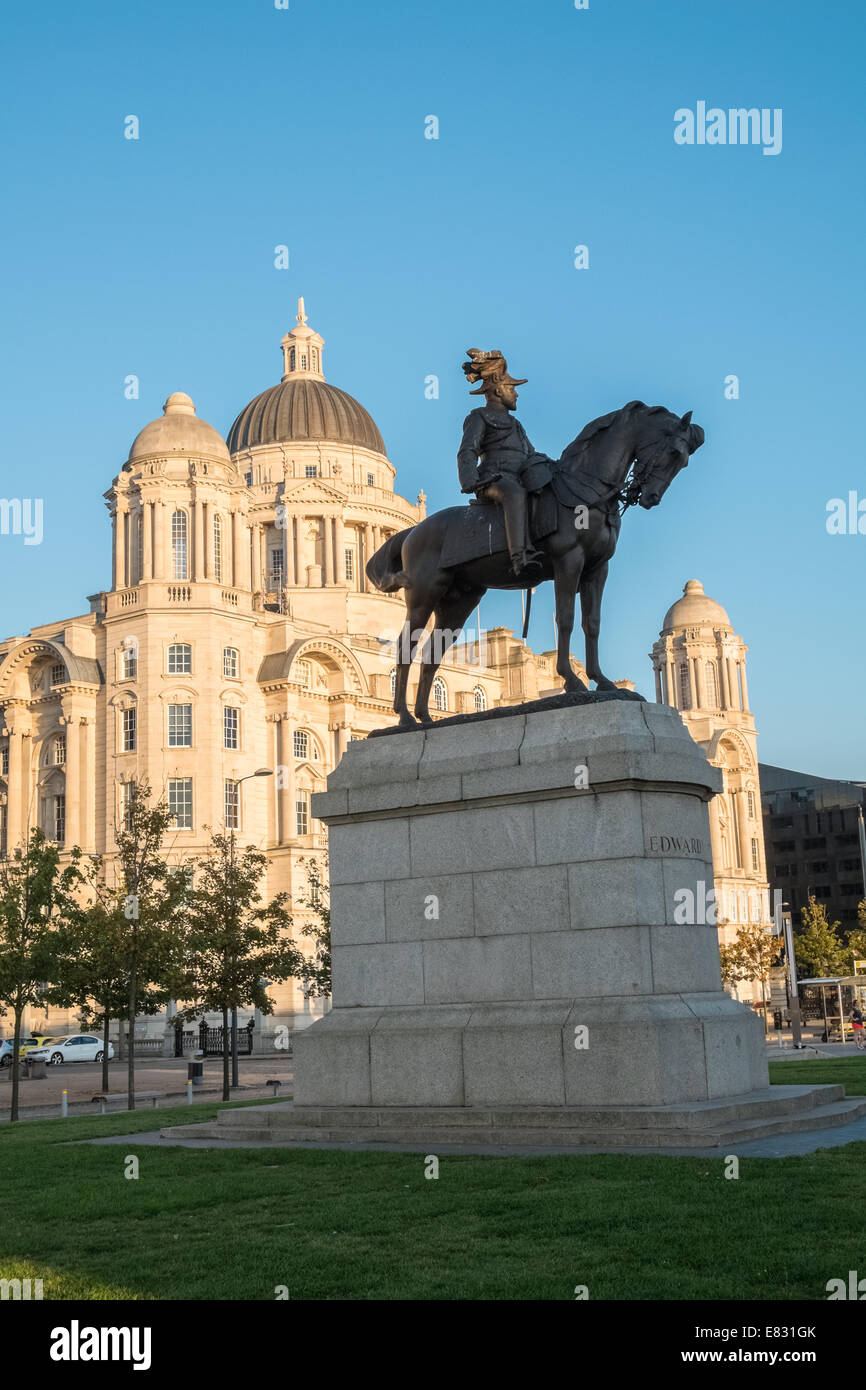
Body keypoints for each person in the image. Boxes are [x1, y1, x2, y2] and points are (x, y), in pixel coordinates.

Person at [457, 348, 552, 576]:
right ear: (499, 390)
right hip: (494, 479)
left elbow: (530, 453)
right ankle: (519, 556)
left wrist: (550, 466)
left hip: (519, 475)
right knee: (515, 494)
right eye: (512, 388)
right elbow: (467, 451)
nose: (516, 394)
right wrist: (470, 480)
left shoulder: (516, 424)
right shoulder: (479, 417)